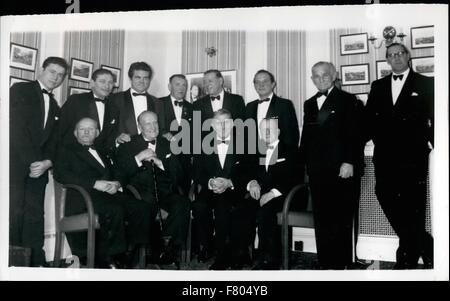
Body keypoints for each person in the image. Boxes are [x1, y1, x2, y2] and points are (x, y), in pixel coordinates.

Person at [365, 43, 434, 269]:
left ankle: (406, 257)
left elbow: (436, 117)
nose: (395, 58)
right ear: (387, 59)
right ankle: (424, 243)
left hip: (413, 156)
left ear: (408, 56)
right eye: (391, 55)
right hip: (385, 155)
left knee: (413, 205)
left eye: (399, 54)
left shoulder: (426, 83)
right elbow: (369, 119)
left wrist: (434, 144)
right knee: (383, 193)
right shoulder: (378, 85)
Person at [53, 118, 151, 269]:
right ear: (75, 132)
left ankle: (130, 256)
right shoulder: (66, 150)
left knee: (142, 208)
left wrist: (118, 183)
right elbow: (61, 174)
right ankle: (112, 258)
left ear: (97, 133)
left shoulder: (104, 150)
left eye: (91, 129)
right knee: (114, 209)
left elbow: (119, 171)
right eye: (82, 129)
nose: (86, 132)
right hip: (84, 198)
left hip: (110, 196)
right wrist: (94, 183)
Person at [299, 61, 364, 269]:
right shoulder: (309, 103)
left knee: (342, 218)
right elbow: (306, 139)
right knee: (322, 219)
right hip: (318, 171)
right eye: (316, 76)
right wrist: (303, 167)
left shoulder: (349, 100)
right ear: (311, 79)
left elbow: (355, 135)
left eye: (325, 75)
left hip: (342, 169)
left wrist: (349, 161)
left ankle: (342, 264)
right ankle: (326, 263)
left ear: (334, 75)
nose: (320, 79)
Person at [9, 56, 68, 266]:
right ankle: (11, 263)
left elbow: (55, 142)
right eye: (53, 72)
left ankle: (35, 263)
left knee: (35, 217)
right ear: (42, 70)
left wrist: (47, 163)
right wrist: (33, 162)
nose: (56, 77)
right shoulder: (19, 89)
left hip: (39, 170)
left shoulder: (55, 105)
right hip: (14, 167)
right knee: (12, 213)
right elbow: (15, 128)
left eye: (61, 75)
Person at [115, 111, 190, 267]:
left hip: (165, 193)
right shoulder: (128, 145)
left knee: (182, 203)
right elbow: (120, 173)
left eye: (155, 122)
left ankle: (166, 250)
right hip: (139, 194)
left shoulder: (168, 143)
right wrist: (139, 157)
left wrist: (160, 163)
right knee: (146, 206)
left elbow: (179, 175)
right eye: (147, 123)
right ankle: (151, 253)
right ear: (139, 126)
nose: (152, 126)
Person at [192, 109, 254, 270]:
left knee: (223, 207)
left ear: (232, 124)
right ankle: (205, 247)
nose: (223, 126)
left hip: (233, 190)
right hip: (210, 189)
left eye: (226, 122)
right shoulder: (202, 143)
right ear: (213, 125)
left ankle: (223, 255)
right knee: (199, 206)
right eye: (218, 123)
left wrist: (229, 182)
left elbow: (248, 172)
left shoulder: (245, 143)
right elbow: (196, 171)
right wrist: (210, 181)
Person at [247, 118, 298, 270]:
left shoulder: (290, 150)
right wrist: (253, 182)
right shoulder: (258, 150)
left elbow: (294, 177)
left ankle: (269, 260)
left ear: (279, 132)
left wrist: (272, 193)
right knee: (242, 207)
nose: (267, 132)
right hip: (263, 194)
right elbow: (249, 171)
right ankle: (241, 254)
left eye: (271, 129)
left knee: (266, 210)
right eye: (264, 130)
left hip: (287, 195)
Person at [58, 68, 116, 155]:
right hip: (74, 155)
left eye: (110, 83)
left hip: (100, 158)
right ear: (92, 83)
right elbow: (59, 129)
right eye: (102, 81)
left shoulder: (113, 107)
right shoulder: (76, 100)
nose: (107, 86)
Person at [157, 74, 193, 195]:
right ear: (169, 86)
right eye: (177, 84)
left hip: (186, 159)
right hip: (165, 156)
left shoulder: (192, 107)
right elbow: (152, 126)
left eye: (184, 85)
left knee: (184, 191)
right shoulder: (158, 103)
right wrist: (163, 133)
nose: (181, 88)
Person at [245, 69, 300, 150]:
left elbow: (292, 136)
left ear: (273, 84)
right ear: (254, 85)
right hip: (255, 158)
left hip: (278, 156)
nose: (261, 85)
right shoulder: (249, 106)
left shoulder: (285, 105)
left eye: (265, 81)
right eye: (257, 82)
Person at [109, 61, 158, 146]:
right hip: (124, 149)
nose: (142, 81)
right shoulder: (115, 99)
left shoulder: (157, 102)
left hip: (151, 151)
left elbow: (160, 129)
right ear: (130, 78)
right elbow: (108, 129)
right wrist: (117, 139)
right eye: (138, 77)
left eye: (145, 78)